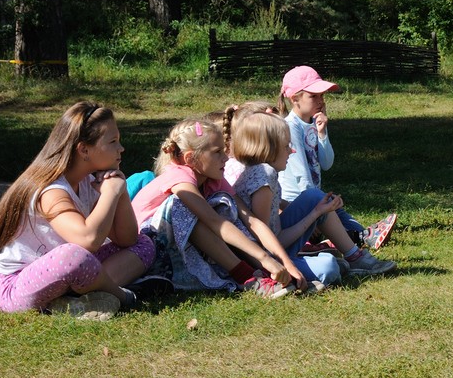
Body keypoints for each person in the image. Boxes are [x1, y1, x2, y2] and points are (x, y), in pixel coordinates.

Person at [0, 102, 155, 319]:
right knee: (73, 256)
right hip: (17, 285)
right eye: (113, 141)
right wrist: (110, 193)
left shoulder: (88, 182)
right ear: (84, 150)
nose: (121, 148)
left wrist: (120, 190)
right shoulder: (50, 191)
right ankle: (123, 296)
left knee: (144, 244)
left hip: (66, 272)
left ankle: (74, 298)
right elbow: (87, 240)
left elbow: (127, 239)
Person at [132, 118, 295, 297]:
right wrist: (263, 257)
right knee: (180, 205)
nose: (225, 157)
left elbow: (251, 220)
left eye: (224, 150)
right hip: (147, 250)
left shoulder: (213, 179)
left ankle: (262, 272)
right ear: (190, 158)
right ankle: (245, 276)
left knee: (224, 202)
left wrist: (285, 263)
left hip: (177, 247)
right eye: (217, 152)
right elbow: (214, 221)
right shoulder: (178, 177)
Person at [278, 65, 397, 274]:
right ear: (295, 99)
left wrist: (322, 133)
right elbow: (301, 177)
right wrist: (314, 213)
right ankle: (348, 243)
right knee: (333, 213)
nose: (321, 101)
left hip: (313, 197)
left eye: (322, 95)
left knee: (340, 213)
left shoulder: (312, 124)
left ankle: (355, 238)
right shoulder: (290, 127)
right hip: (296, 201)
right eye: (314, 96)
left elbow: (326, 163)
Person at [227, 108, 348, 289]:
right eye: (285, 146)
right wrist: (314, 215)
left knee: (314, 196)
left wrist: (316, 211)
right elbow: (268, 244)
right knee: (329, 267)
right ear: (268, 149)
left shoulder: (258, 170)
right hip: (264, 259)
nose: (291, 151)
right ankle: (307, 266)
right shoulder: (264, 176)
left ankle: (336, 257)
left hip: (275, 245)